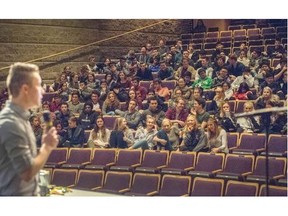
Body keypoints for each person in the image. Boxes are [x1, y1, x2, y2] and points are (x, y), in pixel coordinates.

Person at [0, 62, 58, 196]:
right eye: (38, 85)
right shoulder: (11, 123)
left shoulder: (21, 119)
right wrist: (47, 147)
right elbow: (27, 172)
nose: (43, 90)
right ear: (25, 89)